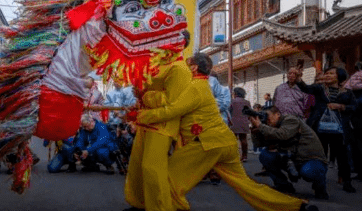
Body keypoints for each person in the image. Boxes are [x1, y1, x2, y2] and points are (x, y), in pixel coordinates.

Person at [136, 52, 316, 211]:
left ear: (194, 67)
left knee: (167, 181)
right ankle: (295, 207)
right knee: (247, 186)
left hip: (206, 143)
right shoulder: (201, 86)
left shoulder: (195, 88)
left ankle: (174, 207)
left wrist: (142, 116)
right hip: (224, 142)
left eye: (187, 64)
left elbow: (172, 110)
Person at [124, 46, 192, 211]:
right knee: (137, 165)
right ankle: (140, 203)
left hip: (163, 124)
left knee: (152, 168)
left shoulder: (179, 68)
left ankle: (160, 207)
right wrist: (139, 97)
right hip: (146, 121)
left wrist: (144, 95)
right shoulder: (159, 63)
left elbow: (173, 101)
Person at [297, 66, 357, 193]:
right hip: (321, 128)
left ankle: (347, 181)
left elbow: (354, 107)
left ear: (339, 76)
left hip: (340, 130)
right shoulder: (319, 89)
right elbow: (306, 88)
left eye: (331, 73)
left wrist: (341, 106)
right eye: (326, 73)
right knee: (320, 156)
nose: (327, 75)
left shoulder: (347, 92)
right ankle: (320, 183)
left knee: (343, 157)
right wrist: (298, 79)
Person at [251, 106, 329, 199]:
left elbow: (282, 134)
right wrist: (255, 131)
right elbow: (259, 144)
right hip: (290, 159)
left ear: (278, 114)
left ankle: (320, 188)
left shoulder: (290, 120)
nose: (266, 118)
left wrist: (261, 126)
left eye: (267, 115)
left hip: (310, 159)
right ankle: (283, 186)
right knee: (265, 156)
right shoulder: (270, 127)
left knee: (308, 172)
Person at [229, 87, 252, 162]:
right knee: (243, 139)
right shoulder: (247, 102)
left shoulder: (232, 101)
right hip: (244, 122)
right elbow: (249, 113)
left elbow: (229, 112)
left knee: (233, 140)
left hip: (234, 122)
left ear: (235, 93)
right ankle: (244, 156)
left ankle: (234, 156)